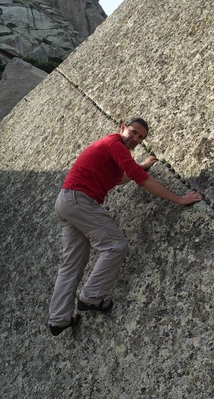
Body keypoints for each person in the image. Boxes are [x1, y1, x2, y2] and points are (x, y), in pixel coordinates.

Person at [48, 117, 203, 336]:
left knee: (71, 264)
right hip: (79, 200)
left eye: (141, 137)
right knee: (115, 245)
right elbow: (140, 179)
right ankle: (91, 297)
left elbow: (122, 177)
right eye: (133, 132)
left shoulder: (111, 149)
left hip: (66, 201)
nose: (136, 139)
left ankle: (59, 319)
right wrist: (178, 199)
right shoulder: (115, 144)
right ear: (122, 128)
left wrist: (144, 165)